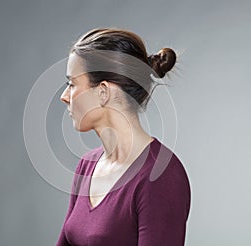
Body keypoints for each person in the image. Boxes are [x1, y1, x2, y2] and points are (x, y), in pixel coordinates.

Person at [56, 27, 191, 246]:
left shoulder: (160, 176)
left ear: (103, 92)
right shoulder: (86, 166)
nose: (64, 96)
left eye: (72, 84)